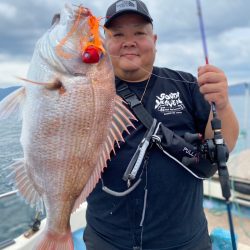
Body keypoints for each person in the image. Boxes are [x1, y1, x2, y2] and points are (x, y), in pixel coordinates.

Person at [83, 0, 239, 249]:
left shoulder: (186, 84)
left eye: (139, 33)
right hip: (106, 239)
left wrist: (222, 103)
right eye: (118, 34)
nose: (129, 41)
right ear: (104, 44)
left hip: (183, 240)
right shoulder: (87, 91)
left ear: (154, 41)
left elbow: (223, 144)